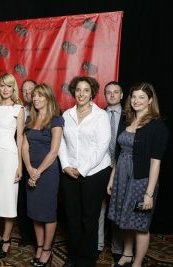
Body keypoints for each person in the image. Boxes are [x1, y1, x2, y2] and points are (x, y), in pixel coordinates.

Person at [107, 82, 168, 267]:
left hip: (141, 181)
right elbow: (119, 153)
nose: (137, 100)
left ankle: (137, 263)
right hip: (122, 177)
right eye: (134, 97)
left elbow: (155, 163)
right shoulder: (128, 120)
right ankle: (126, 254)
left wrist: (149, 193)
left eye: (142, 97)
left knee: (140, 224)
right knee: (124, 218)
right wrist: (112, 178)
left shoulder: (157, 127)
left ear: (150, 100)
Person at [58, 76, 112, 267]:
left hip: (95, 173)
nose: (81, 93)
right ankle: (74, 256)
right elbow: (61, 142)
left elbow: (102, 147)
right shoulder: (66, 115)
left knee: (89, 217)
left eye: (86, 90)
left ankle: (87, 259)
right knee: (72, 217)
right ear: (74, 92)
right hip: (69, 171)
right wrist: (65, 165)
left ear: (92, 93)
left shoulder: (100, 116)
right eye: (78, 90)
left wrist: (81, 170)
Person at [22, 83, 64, 267]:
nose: (36, 98)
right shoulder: (29, 120)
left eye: (40, 95)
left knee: (47, 212)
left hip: (47, 173)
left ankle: (47, 248)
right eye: (34, 96)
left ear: (48, 98)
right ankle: (39, 246)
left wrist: (37, 172)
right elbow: (24, 147)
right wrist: (29, 169)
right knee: (34, 212)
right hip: (31, 170)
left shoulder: (56, 120)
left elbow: (54, 151)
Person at [0, 73, 25, 259]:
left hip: (10, 157)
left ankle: (6, 239)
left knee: (8, 200)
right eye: (2, 85)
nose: (5, 89)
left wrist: (20, 166)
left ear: (13, 88)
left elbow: (20, 138)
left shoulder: (19, 109)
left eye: (9, 86)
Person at [97, 81, 125, 262]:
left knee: (117, 209)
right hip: (101, 167)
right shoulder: (98, 116)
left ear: (122, 95)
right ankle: (97, 244)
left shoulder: (130, 116)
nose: (112, 95)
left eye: (116, 92)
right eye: (108, 92)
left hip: (122, 168)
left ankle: (117, 246)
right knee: (99, 208)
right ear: (104, 95)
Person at [18, 78, 37, 247]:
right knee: (22, 199)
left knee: (36, 196)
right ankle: (26, 234)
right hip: (21, 160)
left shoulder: (44, 110)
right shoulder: (19, 110)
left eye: (30, 90)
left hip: (38, 161)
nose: (27, 93)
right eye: (24, 90)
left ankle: (38, 236)